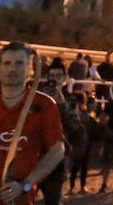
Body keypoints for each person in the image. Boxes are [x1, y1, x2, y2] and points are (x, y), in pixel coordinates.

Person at [0, 42, 66, 205]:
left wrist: (26, 184)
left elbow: (58, 150)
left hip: (17, 197)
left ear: (31, 70)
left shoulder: (44, 105)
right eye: (7, 63)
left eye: (19, 63)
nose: (12, 69)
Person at [39, 61, 85, 205]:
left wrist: (62, 104)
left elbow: (77, 131)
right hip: (35, 154)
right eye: (52, 75)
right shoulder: (38, 97)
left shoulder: (71, 100)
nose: (55, 79)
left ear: (65, 78)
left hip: (58, 157)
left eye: (59, 76)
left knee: (53, 200)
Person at [69, 94, 104, 195]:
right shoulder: (83, 114)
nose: (95, 105)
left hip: (85, 142)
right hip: (80, 142)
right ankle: (75, 187)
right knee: (77, 166)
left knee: (82, 165)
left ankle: (79, 187)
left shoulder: (86, 114)